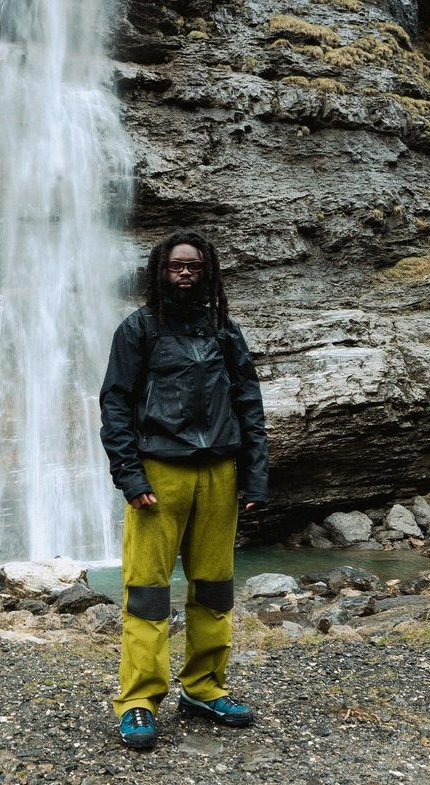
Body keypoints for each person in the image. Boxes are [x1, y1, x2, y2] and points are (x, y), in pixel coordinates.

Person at [99, 229, 269, 749]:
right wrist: (130, 476)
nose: (186, 272)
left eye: (194, 265)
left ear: (208, 270)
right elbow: (115, 404)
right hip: (159, 473)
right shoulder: (138, 329)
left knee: (215, 587)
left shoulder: (224, 331)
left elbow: (248, 403)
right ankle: (138, 701)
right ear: (161, 271)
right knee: (148, 592)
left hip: (219, 472)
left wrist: (255, 474)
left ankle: (204, 688)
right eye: (177, 265)